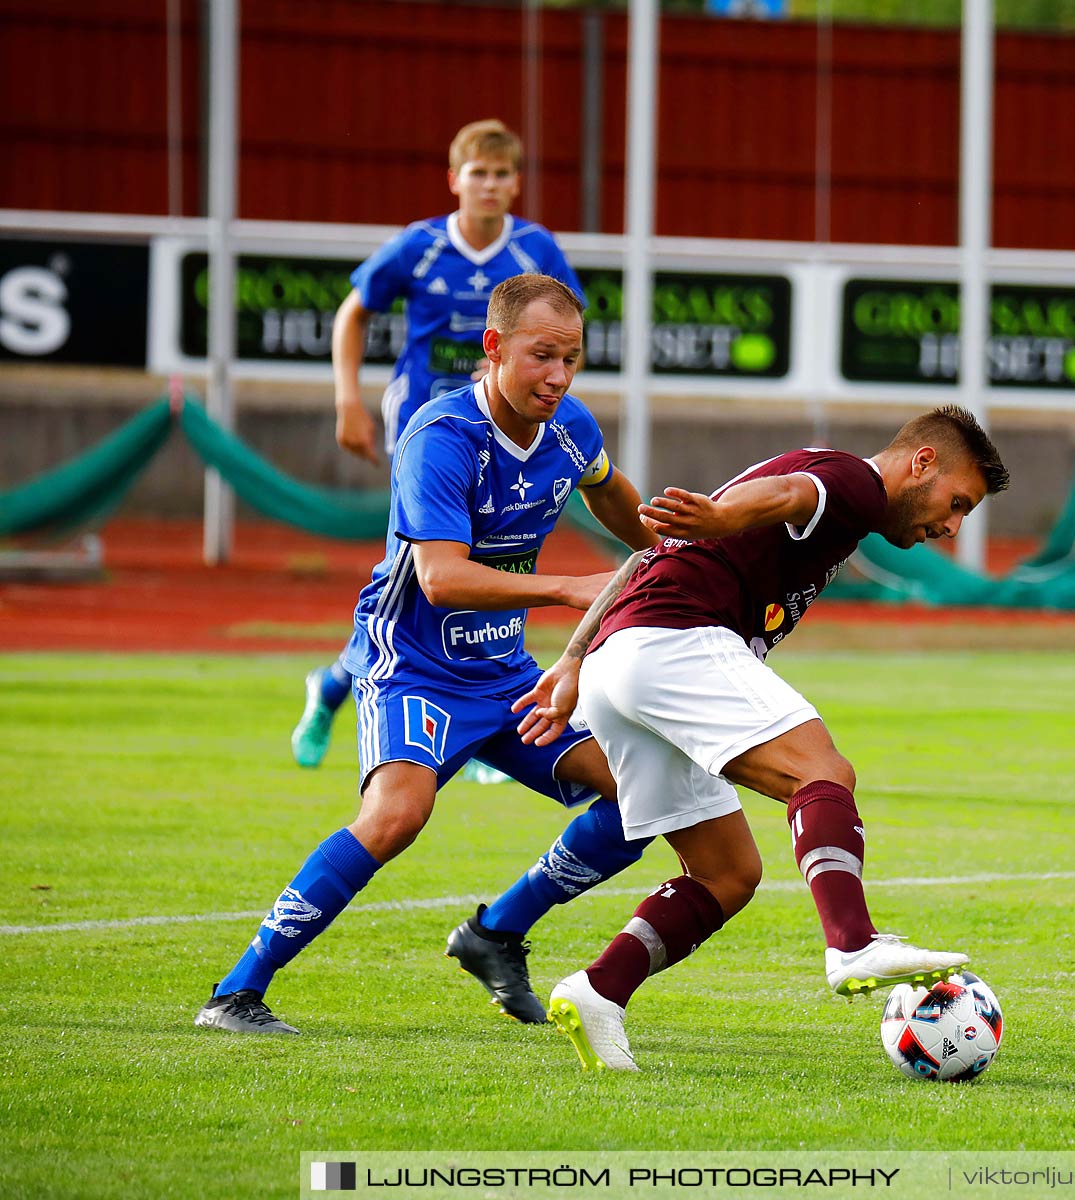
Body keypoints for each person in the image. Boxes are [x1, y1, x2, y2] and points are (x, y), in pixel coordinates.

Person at [198, 276, 659, 1034]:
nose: (559, 376)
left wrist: (662, 552)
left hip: (505, 669)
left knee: (640, 798)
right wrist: (573, 587)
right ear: (494, 347)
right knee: (396, 816)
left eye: (572, 359)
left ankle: (496, 932)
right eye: (542, 356)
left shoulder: (570, 427)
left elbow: (606, 489)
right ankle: (237, 991)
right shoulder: (439, 437)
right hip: (411, 660)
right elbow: (440, 580)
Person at [499, 405, 1009, 1072]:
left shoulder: (827, 489)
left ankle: (600, 989)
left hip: (617, 663)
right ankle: (853, 943)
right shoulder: (855, 484)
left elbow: (646, 557)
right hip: (673, 641)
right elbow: (792, 495)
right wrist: (723, 517)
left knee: (727, 873)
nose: (951, 526)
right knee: (821, 770)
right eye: (957, 502)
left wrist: (571, 658)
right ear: (922, 464)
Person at [291, 119, 587, 773]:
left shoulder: (535, 248)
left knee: (500, 552)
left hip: (506, 426)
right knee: (428, 569)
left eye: (501, 173)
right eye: (477, 173)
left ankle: (354, 687)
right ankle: (399, 696)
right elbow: (353, 311)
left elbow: (568, 319)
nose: (489, 185)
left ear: (516, 184)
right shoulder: (420, 246)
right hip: (427, 421)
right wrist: (347, 397)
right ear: (455, 180)